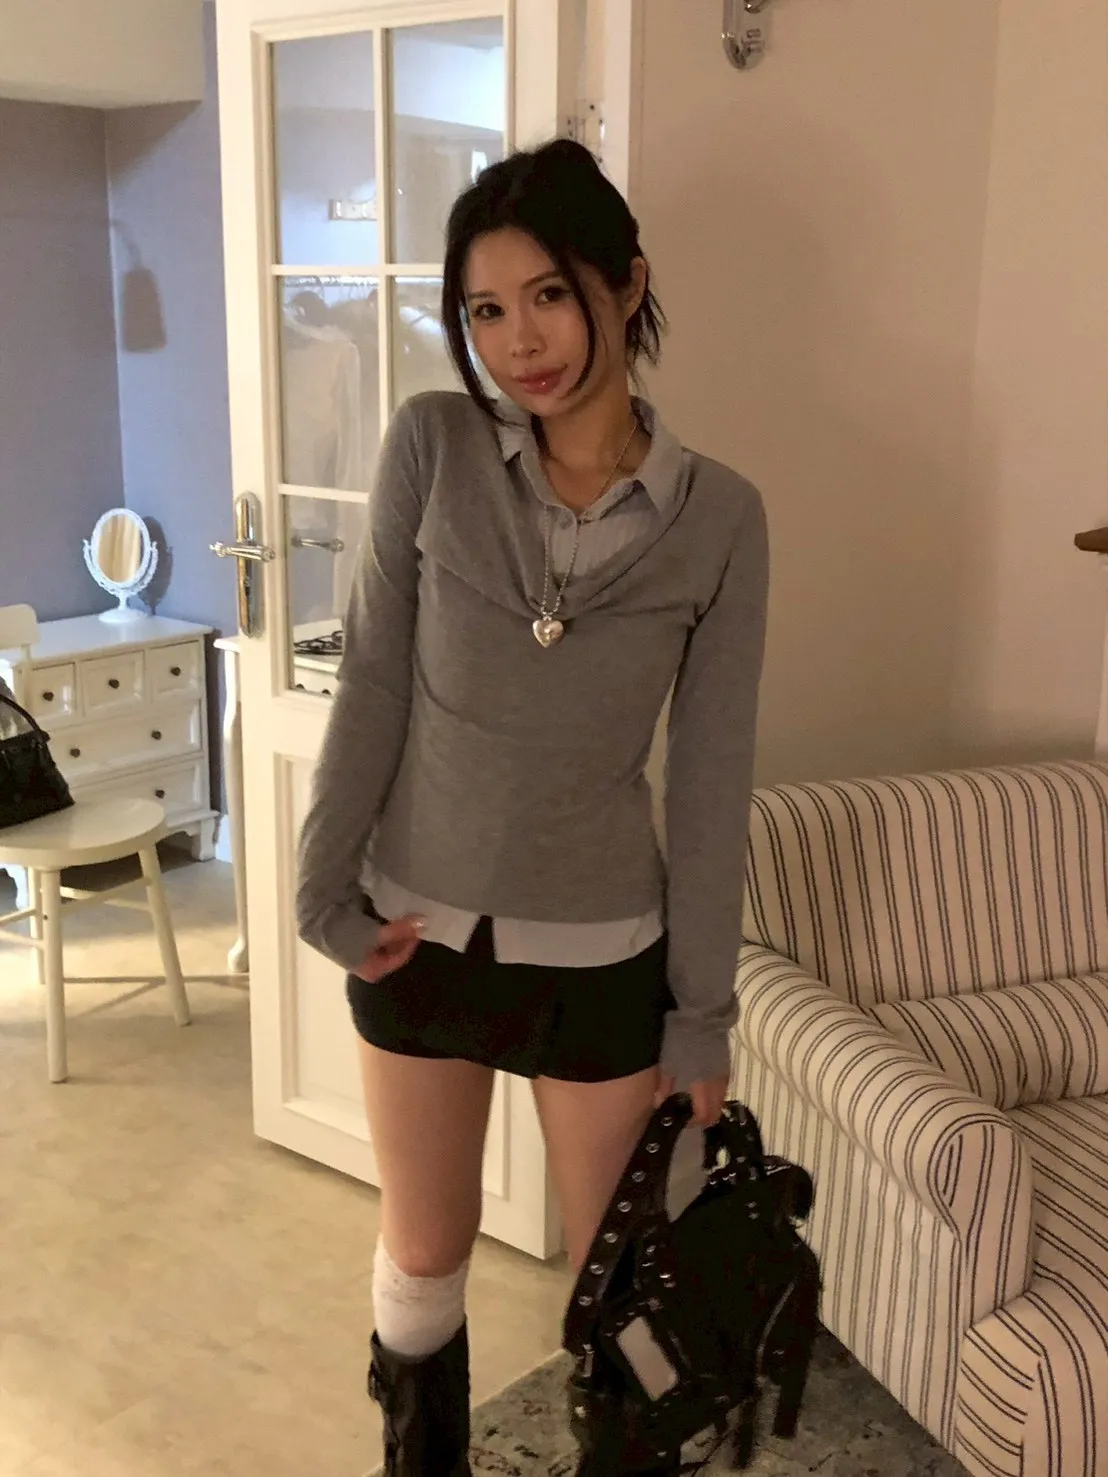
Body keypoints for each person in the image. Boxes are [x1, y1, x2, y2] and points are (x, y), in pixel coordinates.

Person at [296, 138, 769, 1477]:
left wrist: (701, 1016)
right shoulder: (432, 445)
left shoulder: (722, 518)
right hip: (418, 941)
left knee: (627, 1302)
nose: (519, 343)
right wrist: (322, 892)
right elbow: (373, 681)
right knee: (423, 1254)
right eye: (485, 310)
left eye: (549, 295)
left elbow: (712, 779)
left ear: (627, 284)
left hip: (604, 958)